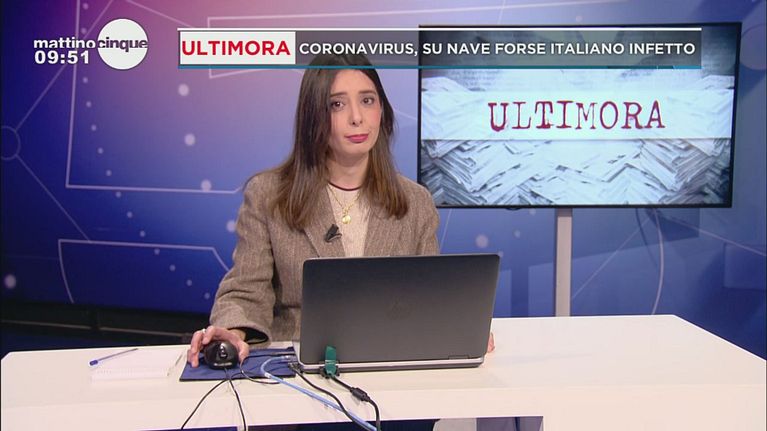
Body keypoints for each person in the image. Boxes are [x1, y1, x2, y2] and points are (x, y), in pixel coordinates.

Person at [187, 53, 447, 367]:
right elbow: (245, 291)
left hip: (389, 366)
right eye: (337, 104)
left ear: (382, 110)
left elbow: (430, 299)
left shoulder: (415, 202)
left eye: (367, 100)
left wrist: (455, 328)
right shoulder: (268, 196)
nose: (356, 117)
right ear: (314, 116)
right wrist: (232, 332)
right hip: (299, 367)